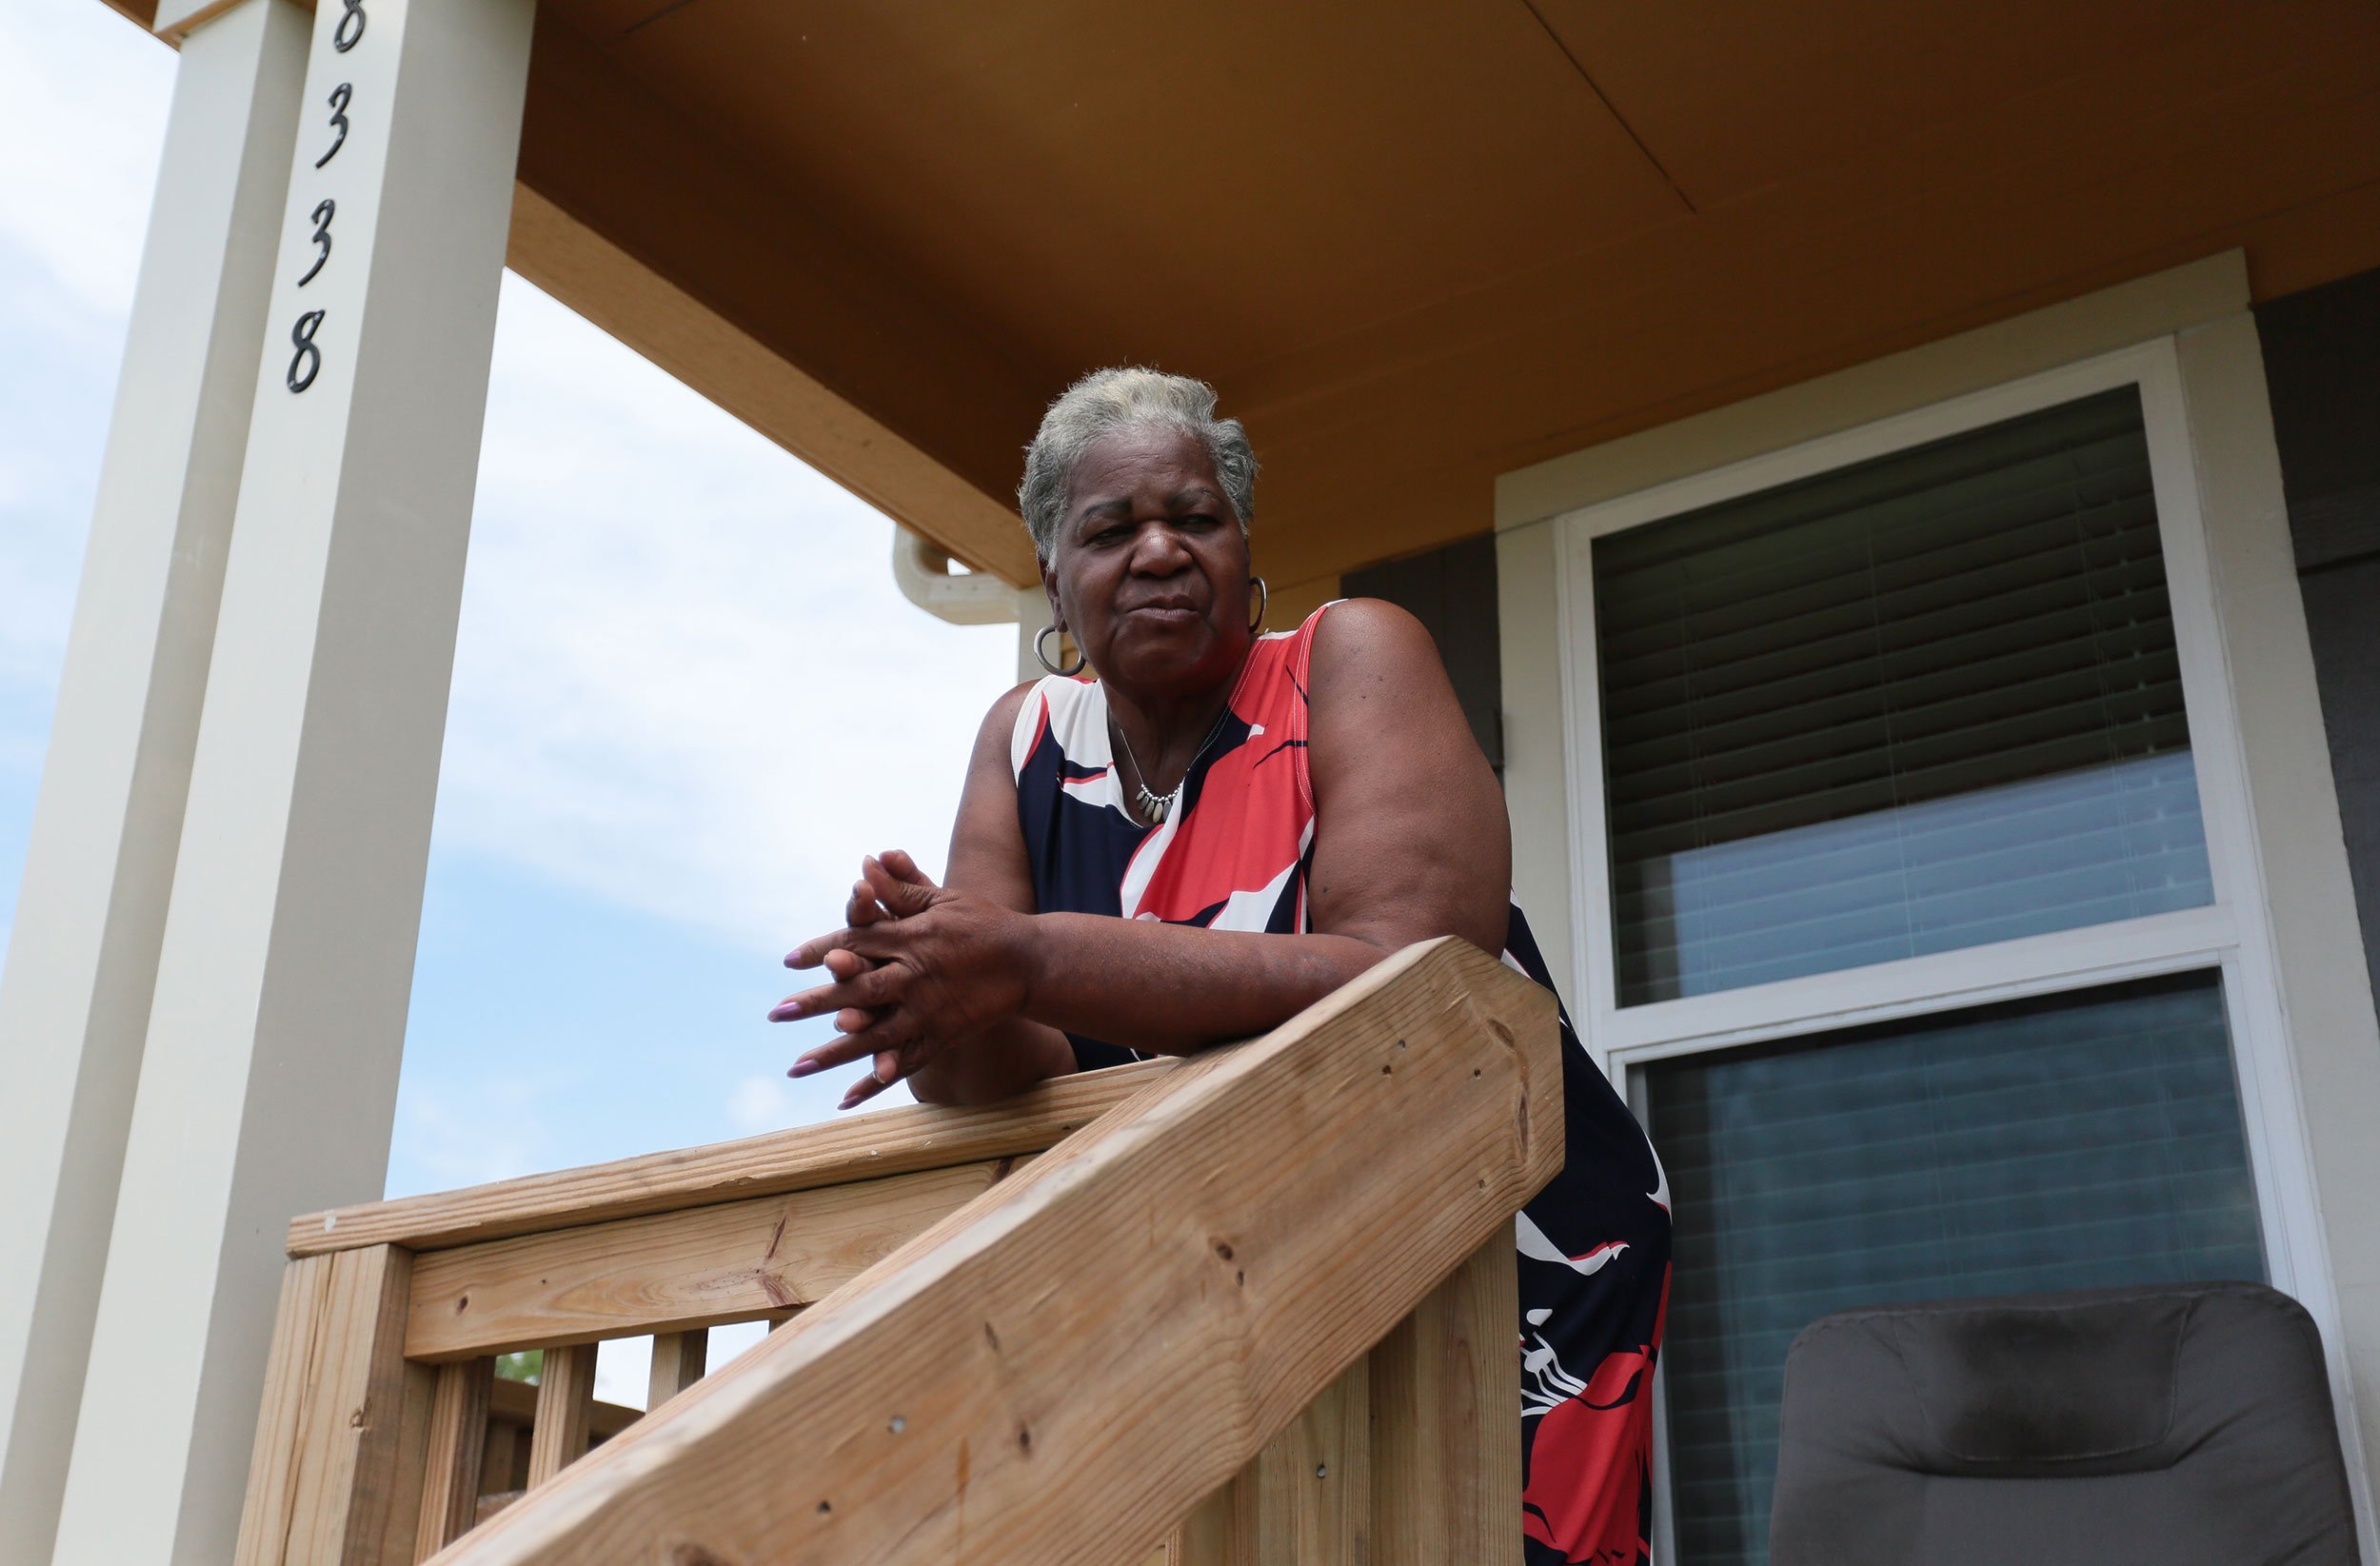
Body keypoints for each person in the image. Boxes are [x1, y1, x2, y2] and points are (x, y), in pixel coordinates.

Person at [770, 368, 1671, 1565]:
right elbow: (1005, 1068)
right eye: (1109, 529)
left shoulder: (1350, 657)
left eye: (1194, 517)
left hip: (1498, 1251)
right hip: (1223, 1269)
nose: (1159, 550)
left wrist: (1024, 955)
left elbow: (1411, 980)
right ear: (1054, 575)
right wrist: (926, 987)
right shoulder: (1026, 739)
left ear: (1242, 547)